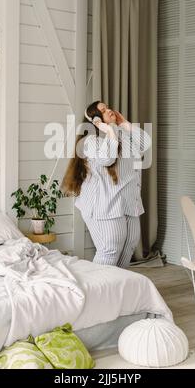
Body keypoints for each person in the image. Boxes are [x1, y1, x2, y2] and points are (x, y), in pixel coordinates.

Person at [61, 101, 151, 268]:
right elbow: (106, 159)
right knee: (110, 249)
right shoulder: (89, 142)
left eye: (107, 107)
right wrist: (109, 130)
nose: (109, 110)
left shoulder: (121, 135)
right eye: (103, 110)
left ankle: (115, 288)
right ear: (96, 120)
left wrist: (124, 125)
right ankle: (98, 289)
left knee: (129, 245)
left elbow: (145, 144)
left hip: (127, 202)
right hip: (104, 205)